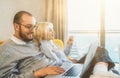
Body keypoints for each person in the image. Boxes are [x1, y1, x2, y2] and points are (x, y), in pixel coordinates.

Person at [0, 11, 65, 78]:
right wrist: (37, 73)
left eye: (34, 27)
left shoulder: (34, 40)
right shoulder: (7, 49)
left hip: (58, 69)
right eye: (28, 27)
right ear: (16, 27)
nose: (33, 31)